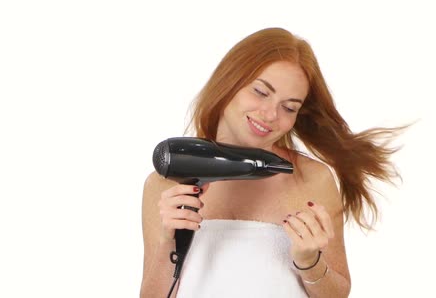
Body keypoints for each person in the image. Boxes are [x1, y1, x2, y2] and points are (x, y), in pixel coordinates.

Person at [140, 27, 406, 297]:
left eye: (289, 107)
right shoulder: (164, 185)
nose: (269, 114)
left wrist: (309, 262)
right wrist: (167, 243)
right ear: (229, 81)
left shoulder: (312, 179)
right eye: (260, 92)